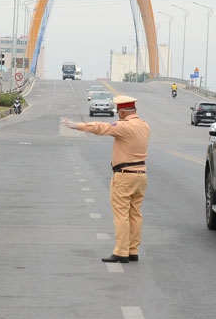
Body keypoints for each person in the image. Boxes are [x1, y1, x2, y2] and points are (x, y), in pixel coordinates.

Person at [61, 95, 150, 263]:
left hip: (125, 176)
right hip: (141, 175)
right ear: (135, 110)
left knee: (121, 214)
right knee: (135, 214)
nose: (118, 115)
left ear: (122, 112)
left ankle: (121, 252)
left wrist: (77, 126)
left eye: (119, 112)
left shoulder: (124, 126)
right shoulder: (145, 126)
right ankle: (133, 250)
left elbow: (102, 127)